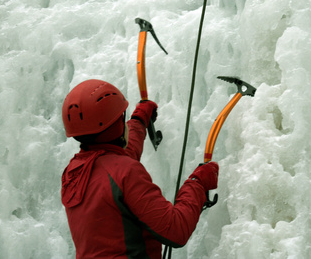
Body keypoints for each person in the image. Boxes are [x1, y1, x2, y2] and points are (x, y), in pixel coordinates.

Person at [61, 79, 219, 259]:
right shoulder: (126, 172)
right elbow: (175, 229)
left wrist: (138, 120)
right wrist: (197, 184)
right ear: (117, 125)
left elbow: (116, 161)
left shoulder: (73, 171)